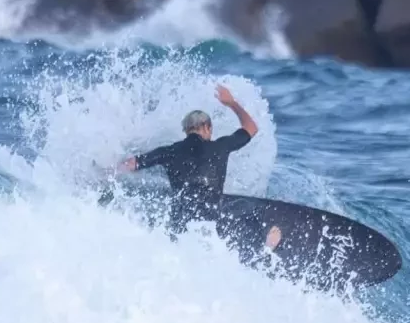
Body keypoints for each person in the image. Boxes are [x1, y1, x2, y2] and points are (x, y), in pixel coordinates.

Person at [111, 83, 282, 249]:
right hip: (211, 216)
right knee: (249, 208)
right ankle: (264, 247)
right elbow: (251, 128)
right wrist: (232, 103)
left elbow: (133, 164)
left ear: (186, 130)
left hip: (180, 218)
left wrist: (109, 172)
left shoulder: (169, 151)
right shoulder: (221, 146)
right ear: (207, 127)